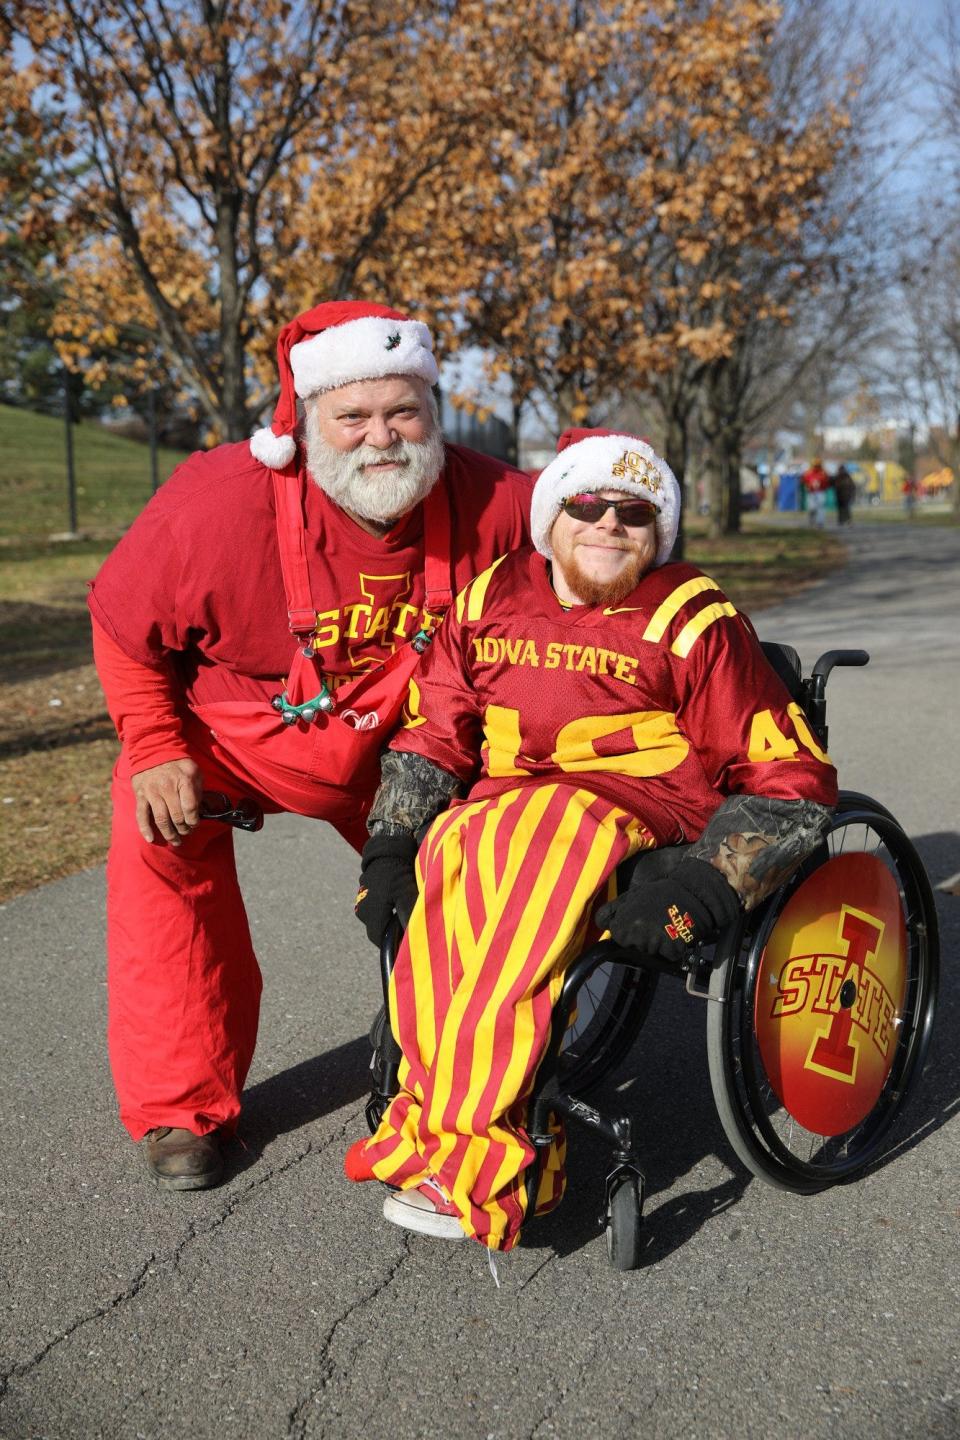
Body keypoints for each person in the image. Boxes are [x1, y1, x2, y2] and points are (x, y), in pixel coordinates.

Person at [345, 429, 838, 1251]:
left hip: (630, 818)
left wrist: (709, 887)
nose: (609, 525)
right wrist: (389, 849)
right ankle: (449, 1124)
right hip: (500, 813)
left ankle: (480, 1160)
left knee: (538, 835)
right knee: (452, 852)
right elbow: (433, 736)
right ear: (551, 517)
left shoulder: (692, 616)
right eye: (587, 505)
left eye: (635, 512)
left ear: (660, 529)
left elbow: (791, 781)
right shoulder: (487, 598)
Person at [88, 299, 532, 1190]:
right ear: (307, 421)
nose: (382, 439)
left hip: (402, 749)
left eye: (403, 412)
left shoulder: (501, 501)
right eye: (354, 417)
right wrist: (155, 744)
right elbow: (121, 620)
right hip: (225, 740)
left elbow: (612, 548)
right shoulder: (215, 503)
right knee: (159, 854)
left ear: (433, 413)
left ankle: (459, 1078)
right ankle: (181, 1112)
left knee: (475, 868)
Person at [801, 457, 831, 529]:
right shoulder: (808, 473)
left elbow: (827, 482)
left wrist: (823, 486)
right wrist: (807, 485)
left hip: (821, 492)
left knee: (821, 508)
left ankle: (820, 523)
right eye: (815, 465)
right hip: (811, 492)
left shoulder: (824, 473)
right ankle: (812, 520)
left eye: (818, 465)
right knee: (812, 508)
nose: (816, 467)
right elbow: (803, 481)